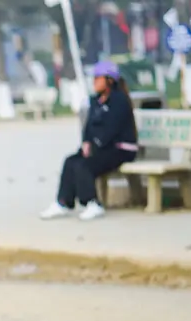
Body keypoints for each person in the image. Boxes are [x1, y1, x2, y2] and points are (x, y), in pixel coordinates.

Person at [40, 61, 138, 222]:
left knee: (84, 165)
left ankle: (92, 203)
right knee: (71, 161)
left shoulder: (119, 101)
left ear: (109, 80)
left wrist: (96, 145)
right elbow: (88, 126)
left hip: (121, 150)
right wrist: (86, 143)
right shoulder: (95, 101)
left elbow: (112, 129)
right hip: (101, 149)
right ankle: (63, 202)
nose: (94, 81)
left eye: (97, 78)